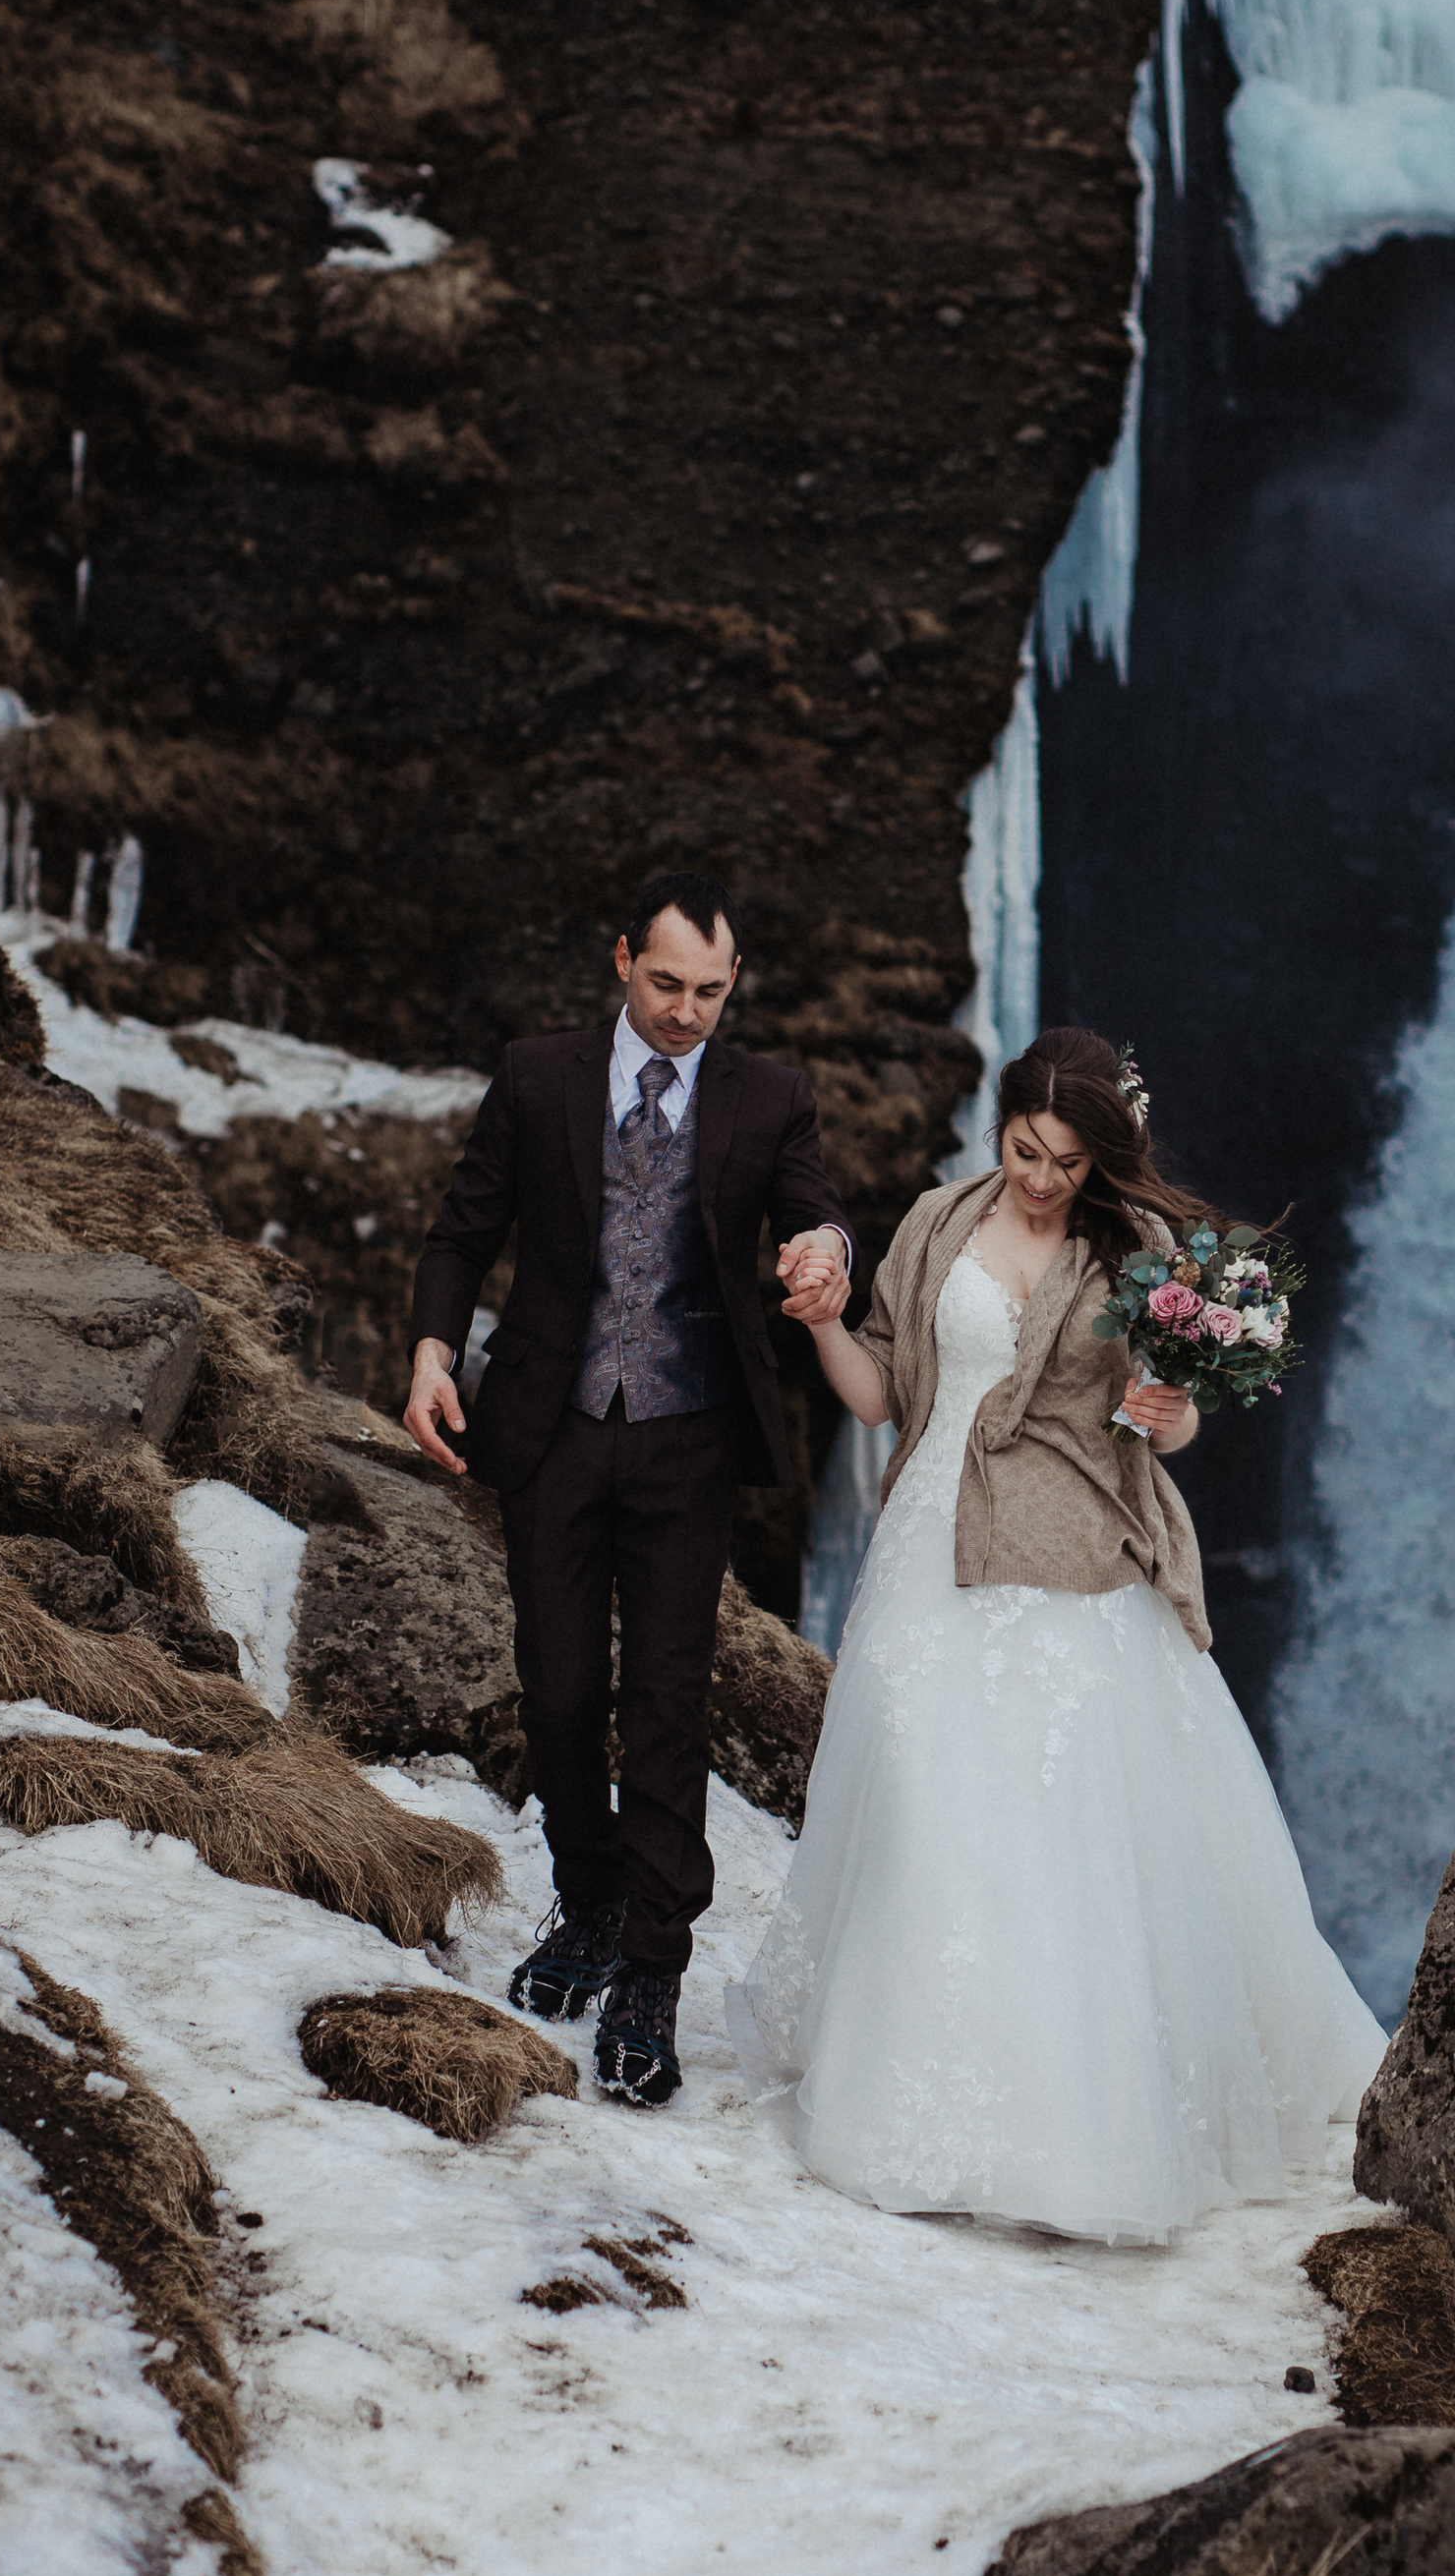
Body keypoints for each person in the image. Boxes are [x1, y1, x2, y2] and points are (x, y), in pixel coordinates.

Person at [733, 1026, 1383, 2241]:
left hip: (1078, 1544)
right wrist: (822, 1324)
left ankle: (1079, 2123)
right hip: (935, 1544)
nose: (1041, 1179)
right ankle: (913, 2095)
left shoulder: (1138, 1253)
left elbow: (1168, 1428)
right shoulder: (933, 1225)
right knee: (931, 1809)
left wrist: (1172, 1407)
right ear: (1000, 1130)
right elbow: (883, 1397)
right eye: (1027, 1151)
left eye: (1066, 1163)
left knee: (1065, 1830)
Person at [405, 871, 855, 2107]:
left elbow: (818, 1214)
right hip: (548, 1426)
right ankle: (590, 1900)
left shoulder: (770, 1096)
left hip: (687, 1436)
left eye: (710, 991)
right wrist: (434, 1351)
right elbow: (460, 1232)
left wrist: (823, 1253)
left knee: (666, 1702)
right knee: (556, 1693)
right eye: (666, 984)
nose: (686, 1012)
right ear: (619, 961)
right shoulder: (539, 1073)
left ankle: (653, 1967)